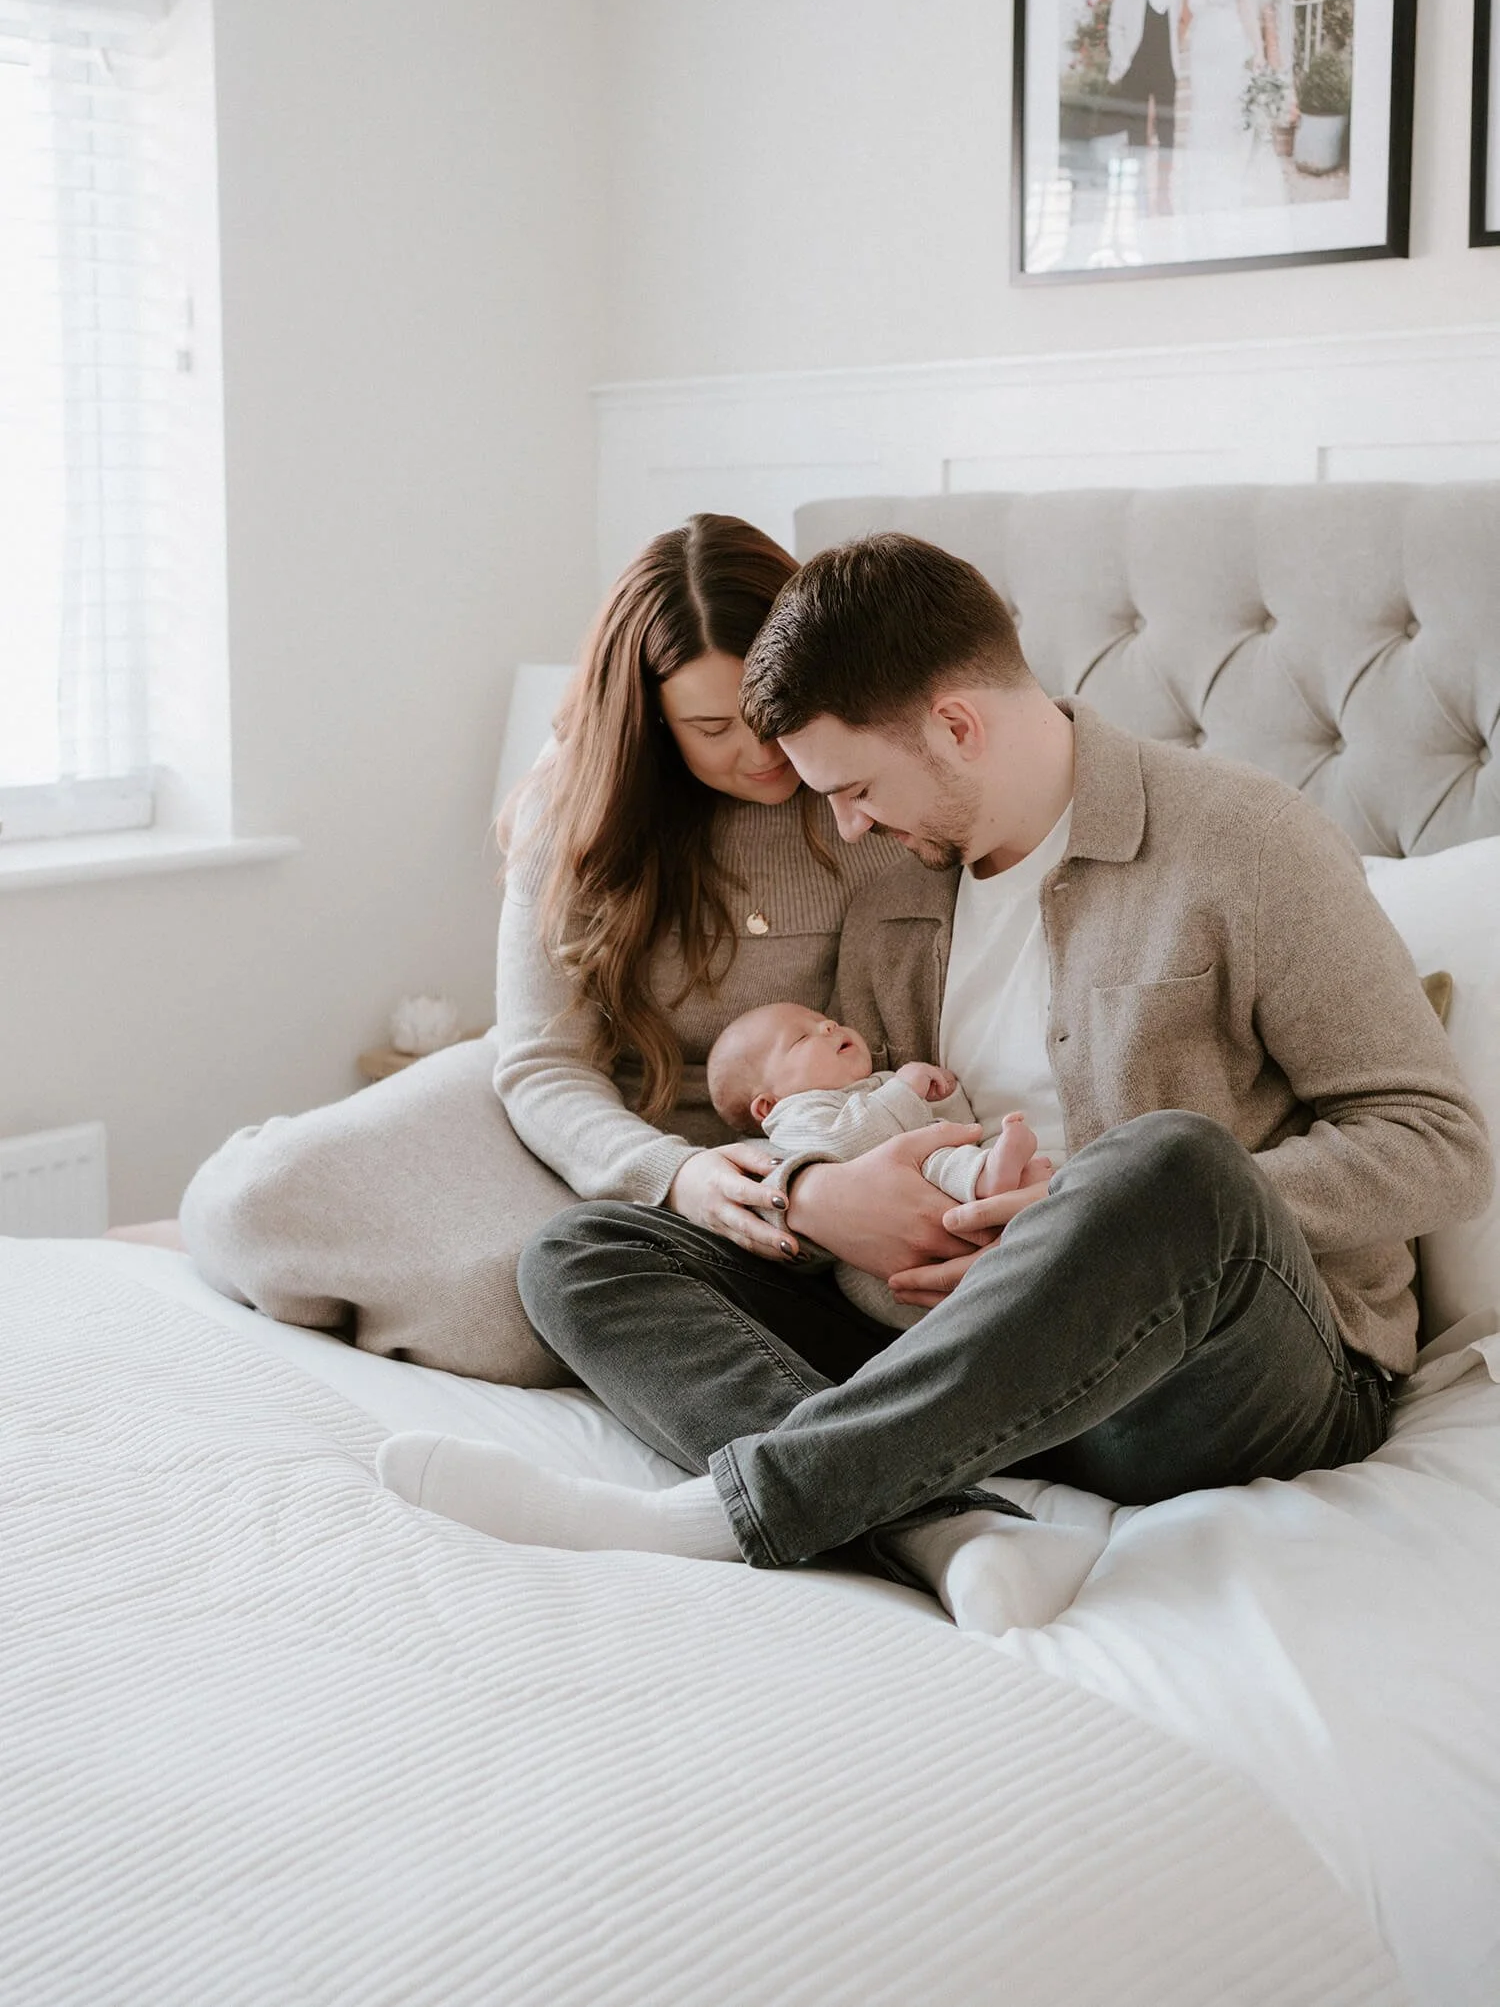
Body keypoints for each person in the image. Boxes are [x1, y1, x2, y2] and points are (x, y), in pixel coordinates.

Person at [377, 532, 1493, 1641]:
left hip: (1207, 1383)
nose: (845, 826)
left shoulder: (1244, 842)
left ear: (957, 726)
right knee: (584, 1255)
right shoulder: (903, 881)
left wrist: (1082, 1215)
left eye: (856, 788)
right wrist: (823, 1191)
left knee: (1165, 1166)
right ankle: (944, 1522)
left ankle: (732, 1511)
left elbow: (1440, 1142)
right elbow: (854, 1102)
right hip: (954, 1357)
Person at [180, 515, 902, 1379]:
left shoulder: (863, 800)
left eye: (765, 711)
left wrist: (751, 1177)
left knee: (511, 1315)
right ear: (650, 718)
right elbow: (540, 1061)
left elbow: (876, 1060)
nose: (757, 751)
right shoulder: (573, 800)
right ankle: (211, 1223)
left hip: (754, 1157)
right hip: (561, 1106)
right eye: (711, 728)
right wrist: (665, 1175)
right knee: (254, 1202)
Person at [705, 1001, 1049, 1329]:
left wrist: (945, 1099)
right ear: (767, 1105)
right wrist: (905, 1091)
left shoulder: (878, 1085)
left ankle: (999, 1176)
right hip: (881, 1261)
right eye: (802, 1037)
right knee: (931, 1164)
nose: (828, 1025)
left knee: (940, 1155)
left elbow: (951, 1132)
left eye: (825, 1020)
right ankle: (991, 1178)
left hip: (937, 1202)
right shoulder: (793, 1115)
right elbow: (847, 1141)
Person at [1177, 0, 1281, 212]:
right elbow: (1185, 16)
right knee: (1204, 111)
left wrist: (1259, 51)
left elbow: (1248, 12)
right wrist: (1184, 40)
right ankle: (1203, 178)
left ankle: (1230, 176)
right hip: (1202, 54)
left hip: (1231, 49)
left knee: (1228, 110)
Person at [1106, 0, 1182, 209]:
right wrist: (1122, 61)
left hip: (1166, 65)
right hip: (1137, 64)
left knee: (1168, 131)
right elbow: (1116, 24)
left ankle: (1163, 196)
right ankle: (1137, 198)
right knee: (1136, 132)